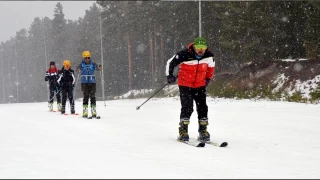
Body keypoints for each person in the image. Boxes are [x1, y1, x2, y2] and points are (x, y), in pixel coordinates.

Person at [165, 37, 215, 142]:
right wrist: (170, 75)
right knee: (187, 107)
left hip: (200, 85)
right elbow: (170, 63)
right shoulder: (184, 54)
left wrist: (208, 79)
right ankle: (183, 131)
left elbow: (211, 68)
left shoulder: (209, 56)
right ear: (194, 47)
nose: (201, 50)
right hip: (185, 84)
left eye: (203, 48)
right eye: (198, 48)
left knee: (202, 107)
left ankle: (203, 131)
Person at [76, 51, 102, 118]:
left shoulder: (93, 64)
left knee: (93, 97)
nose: (87, 59)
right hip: (84, 83)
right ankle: (85, 111)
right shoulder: (81, 64)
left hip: (92, 82)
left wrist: (99, 68)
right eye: (86, 58)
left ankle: (93, 111)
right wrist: (78, 70)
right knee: (86, 96)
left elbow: (97, 68)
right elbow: (77, 69)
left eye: (88, 58)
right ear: (83, 58)